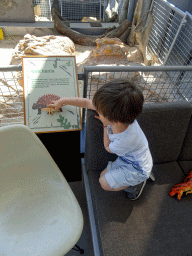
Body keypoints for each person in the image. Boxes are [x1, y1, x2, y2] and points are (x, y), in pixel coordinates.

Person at [48, 79, 153, 200]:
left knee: (103, 183)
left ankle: (136, 184)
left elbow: (108, 147)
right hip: (131, 159)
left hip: (136, 169)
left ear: (115, 121)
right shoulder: (118, 113)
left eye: (101, 113)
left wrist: (104, 125)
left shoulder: (125, 140)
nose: (97, 111)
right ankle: (137, 177)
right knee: (103, 175)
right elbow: (87, 103)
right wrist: (62, 101)